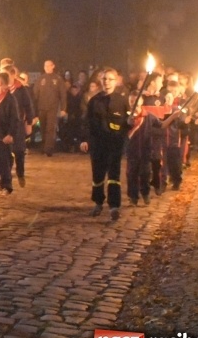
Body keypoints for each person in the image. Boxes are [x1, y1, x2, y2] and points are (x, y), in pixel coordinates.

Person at [79, 67, 131, 221]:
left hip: (115, 143)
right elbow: (86, 122)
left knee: (114, 175)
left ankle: (114, 206)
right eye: (104, 79)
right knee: (98, 175)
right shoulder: (94, 101)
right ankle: (98, 202)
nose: (107, 82)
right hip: (98, 143)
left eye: (110, 79)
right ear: (101, 81)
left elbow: (127, 122)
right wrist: (84, 139)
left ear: (116, 81)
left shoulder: (122, 100)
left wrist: (130, 122)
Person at [3, 64, 34, 187]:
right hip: (4, 125)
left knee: (19, 151)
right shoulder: (1, 88)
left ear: (13, 75)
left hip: (18, 124)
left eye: (6, 75)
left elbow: (28, 106)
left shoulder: (21, 89)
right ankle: (5, 178)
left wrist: (29, 122)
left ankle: (20, 173)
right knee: (4, 151)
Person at [33, 59, 67, 156]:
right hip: (41, 107)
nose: (47, 68)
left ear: (53, 66)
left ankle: (49, 148)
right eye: (45, 66)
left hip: (53, 108)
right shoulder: (40, 79)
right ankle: (44, 146)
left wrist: (63, 108)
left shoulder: (58, 79)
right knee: (43, 128)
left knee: (50, 128)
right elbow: (35, 94)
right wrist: (34, 108)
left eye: (49, 65)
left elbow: (63, 95)